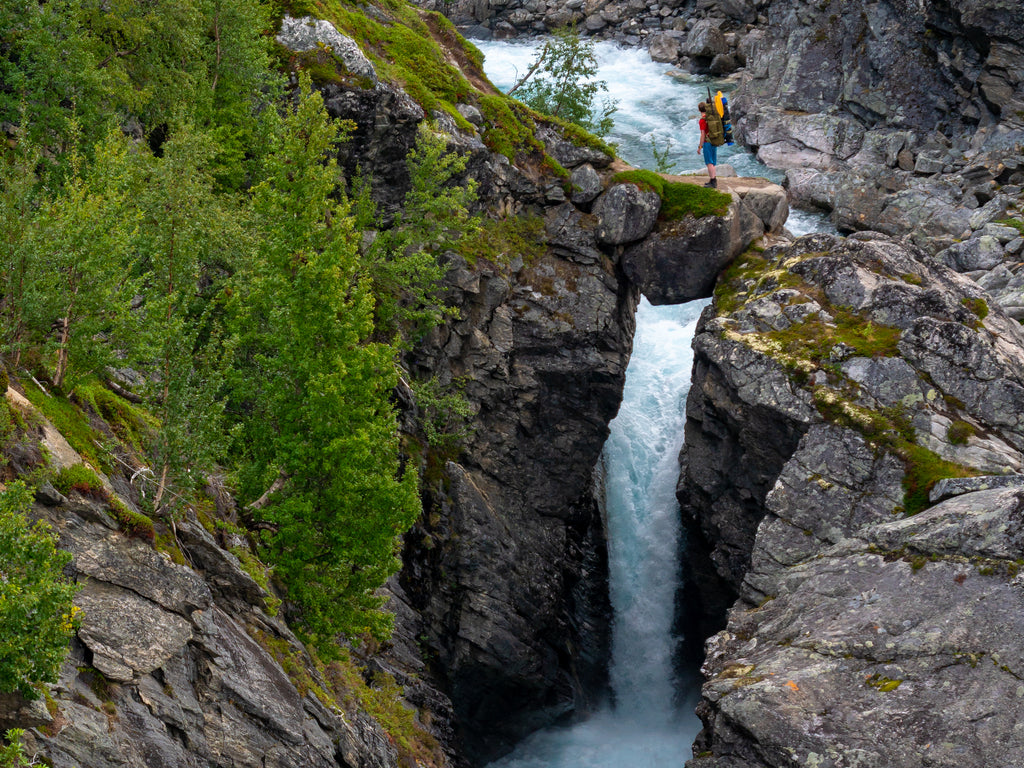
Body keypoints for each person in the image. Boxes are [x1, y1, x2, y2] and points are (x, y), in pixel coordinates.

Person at [697, 102, 718, 188]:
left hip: (707, 143)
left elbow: (703, 134)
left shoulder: (702, 120)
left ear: (699, 110)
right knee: (712, 162)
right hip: (714, 141)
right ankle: (713, 179)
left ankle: (713, 182)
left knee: (709, 162)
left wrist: (700, 146)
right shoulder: (711, 118)